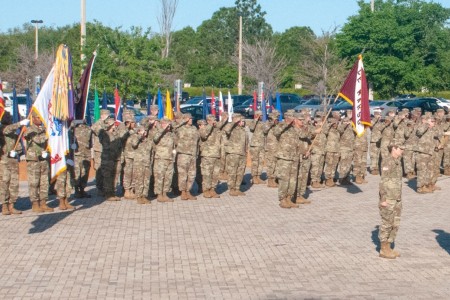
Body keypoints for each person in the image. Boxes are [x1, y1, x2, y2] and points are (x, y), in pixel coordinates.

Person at [378, 142, 404, 259]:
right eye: (400, 149)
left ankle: (389, 246)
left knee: (395, 223)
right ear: (394, 148)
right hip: (388, 198)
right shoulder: (388, 161)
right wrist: (383, 199)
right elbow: (383, 181)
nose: (402, 151)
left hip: (397, 197)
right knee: (387, 223)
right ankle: (383, 249)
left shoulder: (397, 162)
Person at [24, 110, 53, 212]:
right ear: (33, 118)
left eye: (41, 118)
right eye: (38, 118)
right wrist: (48, 134)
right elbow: (39, 140)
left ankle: (43, 202)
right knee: (34, 183)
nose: (40, 120)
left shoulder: (45, 129)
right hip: (34, 160)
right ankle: (35, 204)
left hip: (43, 159)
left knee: (44, 182)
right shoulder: (29, 130)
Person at [0, 111, 28, 215]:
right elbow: (7, 130)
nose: (8, 118)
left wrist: (18, 152)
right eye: (6, 116)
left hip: (13, 161)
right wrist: (20, 123)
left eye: (9, 116)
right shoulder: (2, 128)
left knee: (14, 184)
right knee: (4, 183)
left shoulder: (14, 132)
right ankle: (5, 206)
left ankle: (12, 205)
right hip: (4, 160)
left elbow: (18, 145)